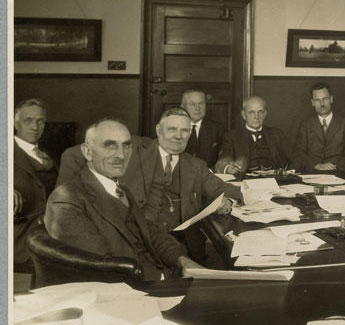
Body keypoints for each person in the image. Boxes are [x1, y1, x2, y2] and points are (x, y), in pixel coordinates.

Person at [57, 108, 242, 261]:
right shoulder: (132, 149)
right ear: (158, 130)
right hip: (134, 239)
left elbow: (229, 190)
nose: (178, 136)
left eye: (184, 131)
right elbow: (74, 154)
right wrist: (71, 195)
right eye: (171, 129)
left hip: (182, 245)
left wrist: (228, 201)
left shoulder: (195, 165)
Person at [44, 118, 202, 281]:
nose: (121, 155)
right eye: (110, 145)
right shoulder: (66, 200)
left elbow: (149, 233)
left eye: (126, 145)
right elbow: (103, 268)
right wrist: (166, 277)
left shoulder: (121, 190)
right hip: (126, 291)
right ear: (87, 152)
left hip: (153, 278)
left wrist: (182, 260)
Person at [13, 98, 58, 272]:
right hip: (19, 245)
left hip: (49, 240)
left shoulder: (48, 154)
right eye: (28, 121)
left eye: (40, 121)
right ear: (16, 124)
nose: (35, 127)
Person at [216, 95, 291, 176]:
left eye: (260, 112)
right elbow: (223, 160)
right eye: (252, 112)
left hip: (275, 180)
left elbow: (294, 158)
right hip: (245, 181)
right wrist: (228, 168)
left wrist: (287, 174)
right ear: (244, 115)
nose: (256, 117)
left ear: (265, 114)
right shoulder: (232, 136)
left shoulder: (276, 134)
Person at [292, 82, 345, 172]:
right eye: (317, 100)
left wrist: (336, 169)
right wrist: (316, 165)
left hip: (337, 173)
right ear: (312, 102)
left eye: (325, 99)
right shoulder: (305, 125)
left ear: (331, 99)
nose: (322, 104)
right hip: (312, 173)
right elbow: (299, 152)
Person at [181, 89, 225, 168]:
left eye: (201, 104)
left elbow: (223, 158)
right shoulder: (175, 128)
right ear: (183, 107)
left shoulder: (218, 129)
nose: (197, 108)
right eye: (192, 104)